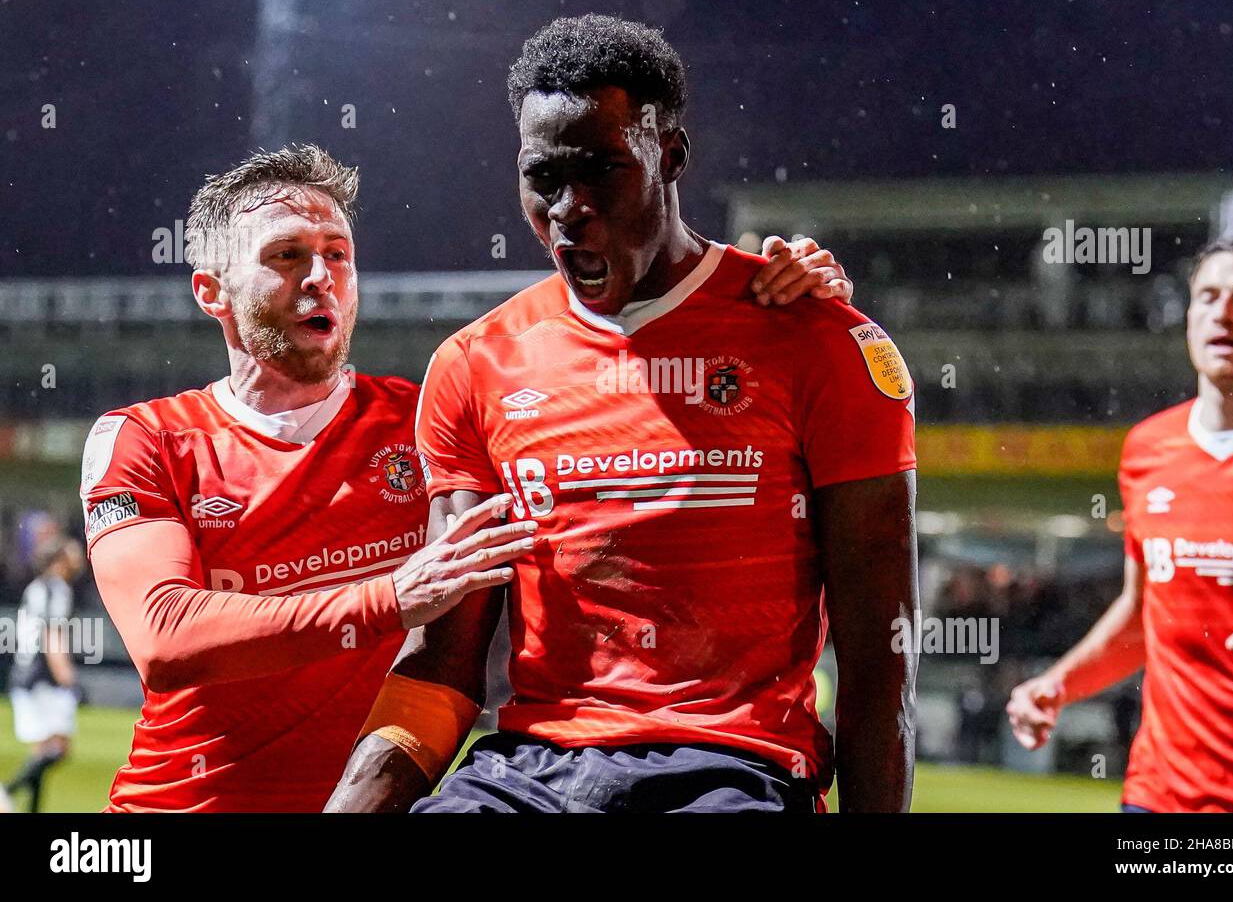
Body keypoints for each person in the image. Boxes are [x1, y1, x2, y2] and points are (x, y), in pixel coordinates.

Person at [82, 143, 856, 812]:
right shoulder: (145, 439)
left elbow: (624, 430)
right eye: (286, 256)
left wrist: (772, 303)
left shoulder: (431, 419)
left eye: (338, 254)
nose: (321, 276)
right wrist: (393, 597)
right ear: (211, 290)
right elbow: (165, 636)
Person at [328, 14, 919, 814]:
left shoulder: (818, 342)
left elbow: (882, 655)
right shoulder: (476, 364)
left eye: (602, 169)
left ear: (670, 154)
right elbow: (442, 662)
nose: (568, 208)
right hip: (529, 772)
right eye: (543, 177)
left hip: (731, 771)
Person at [1007, 232, 1233, 812]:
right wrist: (1057, 683)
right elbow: (1142, 614)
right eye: (1207, 297)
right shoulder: (1148, 449)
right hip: (1161, 795)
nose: (1223, 313)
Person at [1, 536, 84, 812]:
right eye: (71, 553)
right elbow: (52, 634)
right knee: (58, 748)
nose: (78, 557)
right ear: (58, 560)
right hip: (42, 678)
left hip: (25, 674)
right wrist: (67, 677)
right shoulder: (57, 588)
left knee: (41, 752)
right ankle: (6, 792)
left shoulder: (37, 586)